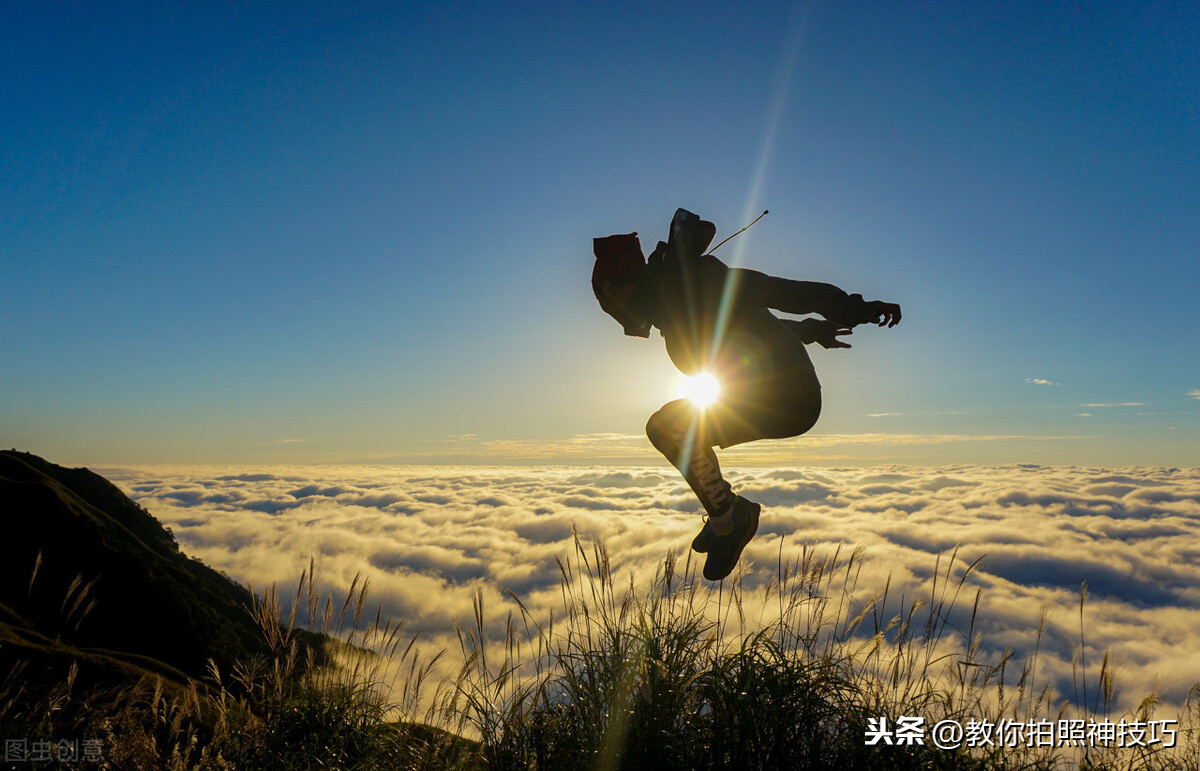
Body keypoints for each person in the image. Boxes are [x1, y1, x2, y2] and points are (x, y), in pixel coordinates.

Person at [592, 208, 901, 581]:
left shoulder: (697, 286)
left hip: (789, 397)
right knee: (677, 428)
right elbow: (750, 330)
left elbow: (777, 290)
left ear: (622, 288)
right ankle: (728, 512)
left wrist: (855, 308)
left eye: (610, 301)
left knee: (668, 426)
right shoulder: (675, 309)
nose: (615, 313)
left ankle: (731, 520)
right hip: (771, 395)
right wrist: (811, 332)